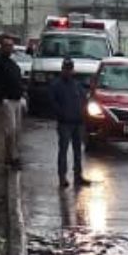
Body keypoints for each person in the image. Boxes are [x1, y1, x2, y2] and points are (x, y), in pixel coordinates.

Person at [48, 57, 91, 189]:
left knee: (78, 151)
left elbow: (84, 100)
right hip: (65, 123)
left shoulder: (77, 85)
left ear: (73, 70)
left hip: (78, 123)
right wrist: (61, 115)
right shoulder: (56, 85)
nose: (68, 71)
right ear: (62, 69)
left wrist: (83, 115)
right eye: (66, 69)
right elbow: (52, 103)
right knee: (63, 150)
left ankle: (78, 176)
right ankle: (62, 177)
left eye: (70, 69)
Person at [0, 36, 25, 168]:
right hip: (7, 100)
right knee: (11, 130)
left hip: (17, 99)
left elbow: (17, 80)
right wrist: (0, 97)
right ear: (2, 47)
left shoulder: (12, 63)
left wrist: (22, 94)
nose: (10, 48)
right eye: (7, 46)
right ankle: (13, 157)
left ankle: (10, 156)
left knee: (17, 130)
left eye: (11, 46)